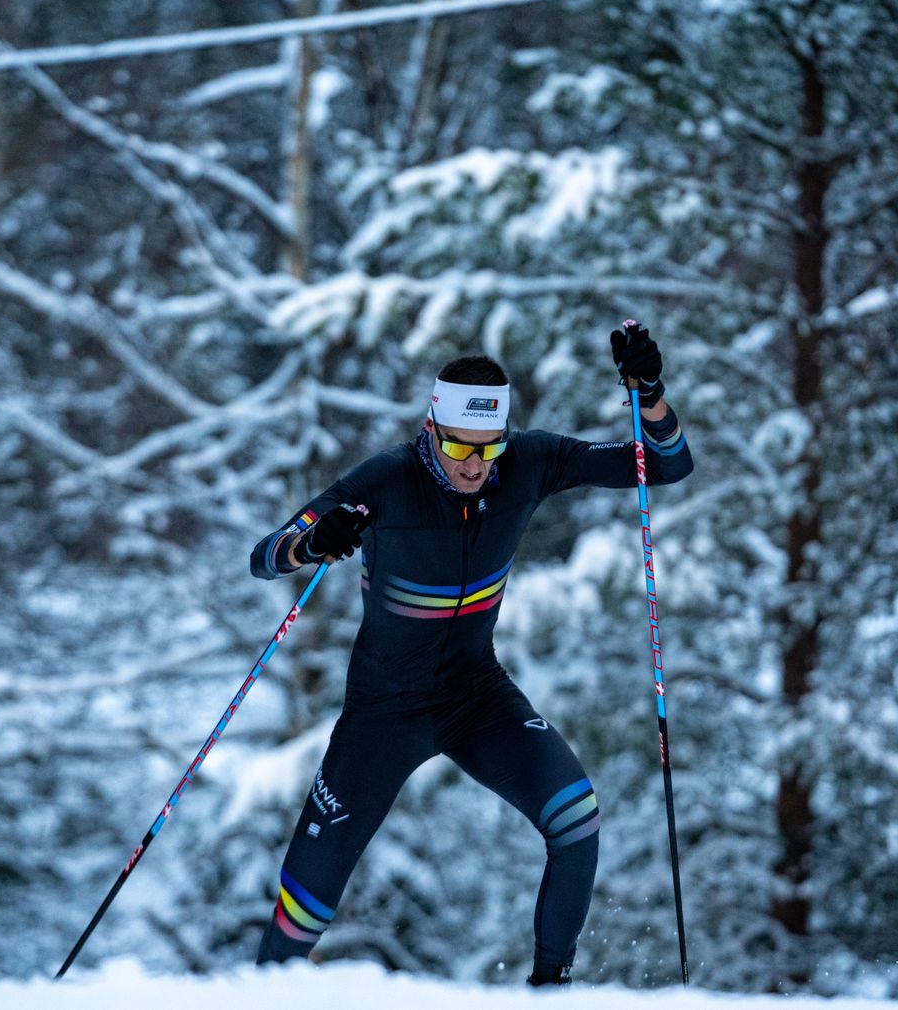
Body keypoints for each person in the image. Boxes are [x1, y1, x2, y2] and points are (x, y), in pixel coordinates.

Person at [249, 323, 693, 986]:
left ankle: (550, 993)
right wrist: (312, 542)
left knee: (577, 820)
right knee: (303, 911)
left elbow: (665, 465)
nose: (473, 465)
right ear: (431, 428)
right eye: (458, 445)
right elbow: (265, 556)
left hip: (476, 698)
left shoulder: (530, 462)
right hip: (384, 714)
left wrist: (649, 395)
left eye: (490, 447)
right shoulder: (388, 479)